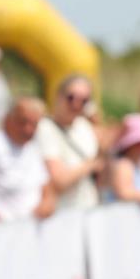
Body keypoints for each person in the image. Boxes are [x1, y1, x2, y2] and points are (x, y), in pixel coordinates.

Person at [36, 75, 101, 211]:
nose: (76, 104)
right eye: (71, 98)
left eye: (84, 101)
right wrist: (92, 164)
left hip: (88, 210)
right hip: (62, 214)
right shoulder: (45, 128)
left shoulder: (84, 126)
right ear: (58, 96)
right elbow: (59, 180)